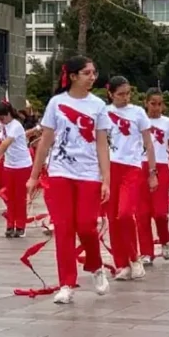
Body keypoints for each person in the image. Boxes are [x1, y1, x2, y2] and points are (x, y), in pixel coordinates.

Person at [27, 56, 112, 303]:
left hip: (88, 173)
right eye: (87, 73)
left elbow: (102, 144)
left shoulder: (98, 106)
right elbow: (45, 141)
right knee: (63, 228)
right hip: (60, 171)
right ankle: (66, 283)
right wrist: (34, 176)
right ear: (73, 76)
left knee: (86, 225)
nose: (92, 77)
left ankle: (96, 266)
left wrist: (106, 179)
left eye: (94, 72)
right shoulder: (56, 103)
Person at [104, 76, 158, 280]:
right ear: (110, 94)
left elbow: (149, 144)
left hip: (132, 168)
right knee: (113, 218)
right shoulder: (104, 113)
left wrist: (152, 173)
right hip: (110, 169)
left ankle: (135, 258)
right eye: (120, 94)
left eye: (128, 93)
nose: (125, 98)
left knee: (125, 214)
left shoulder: (138, 113)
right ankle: (122, 264)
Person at [143, 88, 169, 262]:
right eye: (153, 104)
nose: (156, 108)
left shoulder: (167, 122)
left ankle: (165, 240)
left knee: (159, 212)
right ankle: (146, 251)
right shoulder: (139, 120)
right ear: (146, 103)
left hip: (161, 166)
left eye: (159, 104)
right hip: (140, 166)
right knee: (142, 213)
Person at [0, 102, 34, 238]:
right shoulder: (3, 125)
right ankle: (10, 225)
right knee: (10, 197)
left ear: (9, 114)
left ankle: (20, 225)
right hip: (9, 165)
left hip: (22, 165)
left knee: (19, 197)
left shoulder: (16, 125)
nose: (0, 121)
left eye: (2, 118)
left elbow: (5, 143)